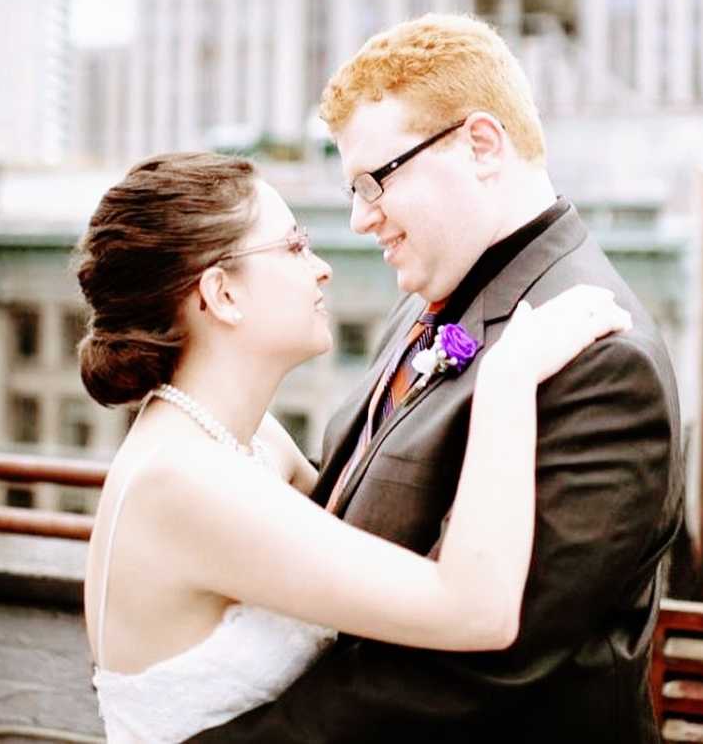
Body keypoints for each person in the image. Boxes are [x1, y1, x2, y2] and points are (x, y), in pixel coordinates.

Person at [189, 14, 685, 744]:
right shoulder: (431, 295)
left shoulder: (603, 364)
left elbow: (482, 669)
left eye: (373, 181)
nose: (361, 219)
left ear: (481, 144)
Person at [78, 151, 630, 743]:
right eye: (293, 247)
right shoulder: (182, 483)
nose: (321, 269)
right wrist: (507, 377)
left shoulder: (252, 442)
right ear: (221, 295)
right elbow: (476, 612)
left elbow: (375, 536)